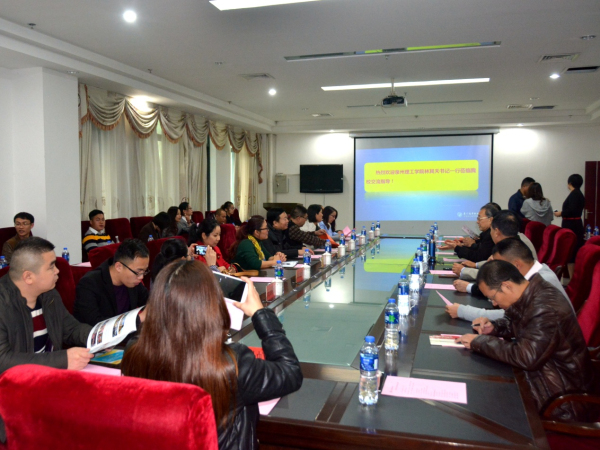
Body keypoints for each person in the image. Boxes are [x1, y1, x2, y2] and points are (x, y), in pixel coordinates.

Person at [121, 261, 302, 450]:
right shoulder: (233, 363)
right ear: (212, 306)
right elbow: (290, 372)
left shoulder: (134, 352)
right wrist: (260, 313)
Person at [456, 260, 596, 422]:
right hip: (544, 379)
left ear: (507, 286)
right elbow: (519, 323)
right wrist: (494, 328)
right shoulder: (534, 291)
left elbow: (526, 357)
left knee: (478, 409)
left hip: (560, 402)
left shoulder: (545, 308)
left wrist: (480, 342)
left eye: (493, 297)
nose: (494, 303)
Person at [0, 238, 95, 442]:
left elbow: (71, 329)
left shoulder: (49, 295)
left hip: (47, 384)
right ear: (28, 277)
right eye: (51, 266)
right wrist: (63, 360)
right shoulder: (3, 304)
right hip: (11, 398)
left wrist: (102, 334)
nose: (58, 271)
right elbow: (3, 360)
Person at [447, 237, 570, 321]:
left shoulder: (543, 282)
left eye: (500, 264)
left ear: (516, 265)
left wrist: (464, 312)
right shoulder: (534, 274)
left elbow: (512, 316)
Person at [74, 239, 150, 326]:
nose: (141, 277)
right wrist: (137, 320)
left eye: (144, 271)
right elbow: (96, 324)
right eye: (138, 272)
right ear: (119, 267)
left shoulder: (133, 281)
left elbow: (149, 301)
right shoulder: (89, 284)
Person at [452, 210, 537, 281]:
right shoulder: (515, 239)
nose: (490, 233)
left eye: (491, 230)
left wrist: (464, 271)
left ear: (496, 232)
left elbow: (497, 276)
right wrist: (476, 265)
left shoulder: (512, 247)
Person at [554, 174, 585, 274]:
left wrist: (561, 213)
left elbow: (571, 210)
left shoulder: (574, 194)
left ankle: (572, 277)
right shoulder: (579, 193)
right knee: (574, 251)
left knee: (571, 252)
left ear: (570, 183)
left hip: (572, 225)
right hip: (576, 224)